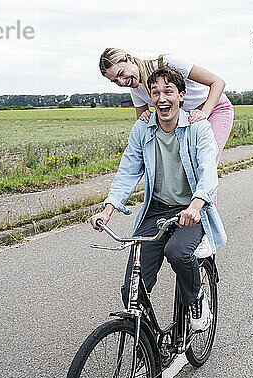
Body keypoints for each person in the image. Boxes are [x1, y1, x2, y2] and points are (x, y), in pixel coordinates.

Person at [90, 66, 226, 331]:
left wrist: (197, 205)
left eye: (168, 92)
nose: (162, 98)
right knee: (133, 289)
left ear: (182, 95)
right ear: (150, 99)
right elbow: (128, 172)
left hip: (189, 210)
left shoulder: (198, 128)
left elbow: (208, 172)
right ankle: (146, 349)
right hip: (157, 210)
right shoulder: (143, 130)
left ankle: (195, 298)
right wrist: (107, 210)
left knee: (177, 252)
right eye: (155, 93)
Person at [99, 48, 233, 163]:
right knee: (186, 165)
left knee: (206, 161)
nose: (122, 82)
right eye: (115, 81)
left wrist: (204, 113)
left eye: (121, 74)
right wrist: (147, 117)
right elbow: (145, 127)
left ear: (130, 59)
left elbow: (218, 82)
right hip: (188, 120)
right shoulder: (136, 90)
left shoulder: (167, 63)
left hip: (215, 109)